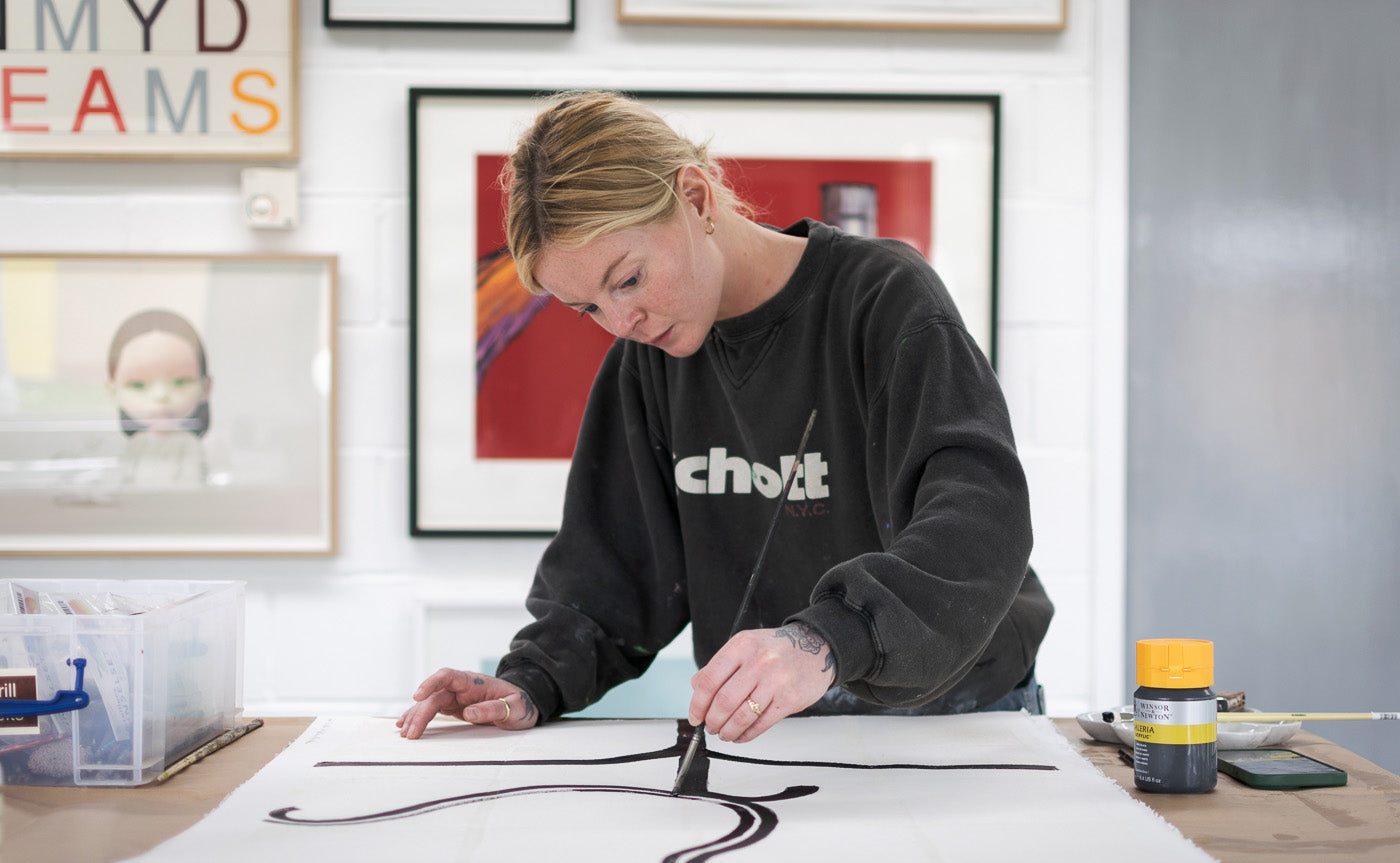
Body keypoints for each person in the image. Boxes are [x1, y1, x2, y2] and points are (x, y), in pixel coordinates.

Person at [398, 91, 1053, 745]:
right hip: (778, 733)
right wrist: (532, 680)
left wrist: (832, 637)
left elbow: (979, 520)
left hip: (959, 714)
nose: (621, 322)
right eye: (588, 308)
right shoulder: (647, 363)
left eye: (628, 280)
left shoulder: (881, 298)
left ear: (696, 199)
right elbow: (613, 578)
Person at [106, 309, 212, 488]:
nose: (161, 395)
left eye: (180, 382)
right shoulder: (137, 444)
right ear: (113, 391)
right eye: (138, 385)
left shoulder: (192, 446)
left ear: (205, 387)